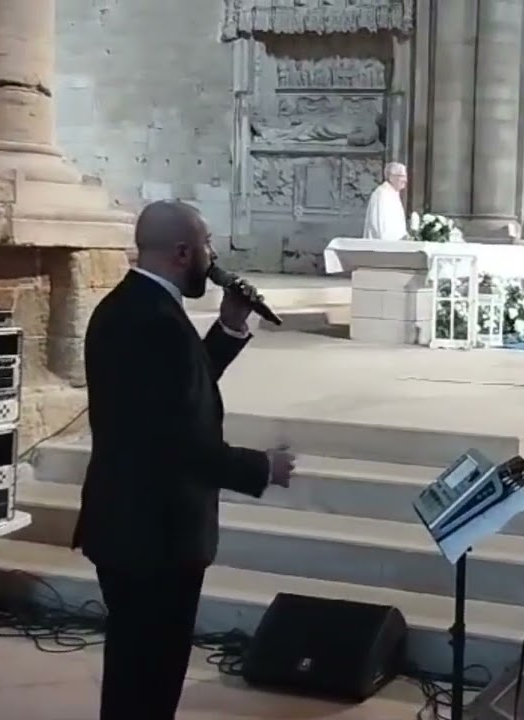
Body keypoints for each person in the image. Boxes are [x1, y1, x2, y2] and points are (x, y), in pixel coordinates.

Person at [73, 200, 297, 720]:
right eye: (207, 245)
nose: (213, 256)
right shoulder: (156, 323)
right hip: (155, 534)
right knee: (148, 677)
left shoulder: (130, 307)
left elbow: (176, 397)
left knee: (138, 671)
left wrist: (229, 327)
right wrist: (261, 468)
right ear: (181, 252)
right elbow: (178, 443)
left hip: (132, 525)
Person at [362, 161, 409, 240]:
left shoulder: (393, 193)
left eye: (405, 176)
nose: (405, 180)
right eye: (402, 176)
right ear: (391, 178)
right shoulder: (382, 195)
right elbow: (380, 226)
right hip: (383, 247)